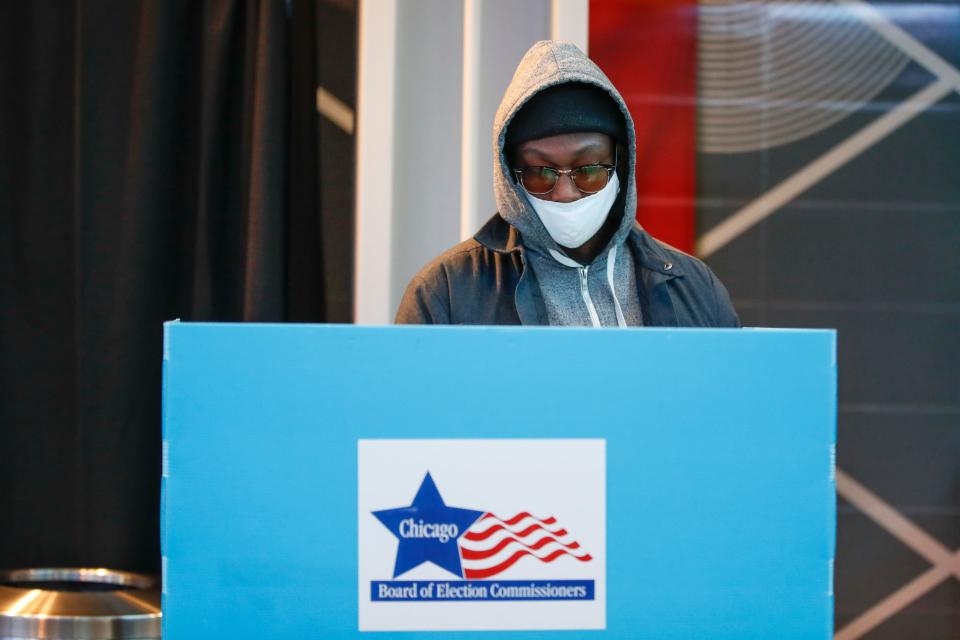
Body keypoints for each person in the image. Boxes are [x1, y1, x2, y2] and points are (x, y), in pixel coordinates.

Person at [395, 40, 739, 328]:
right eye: (539, 173)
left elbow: (731, 402)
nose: (565, 194)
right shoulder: (447, 292)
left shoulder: (694, 286)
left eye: (588, 170)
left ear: (621, 163)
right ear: (509, 176)